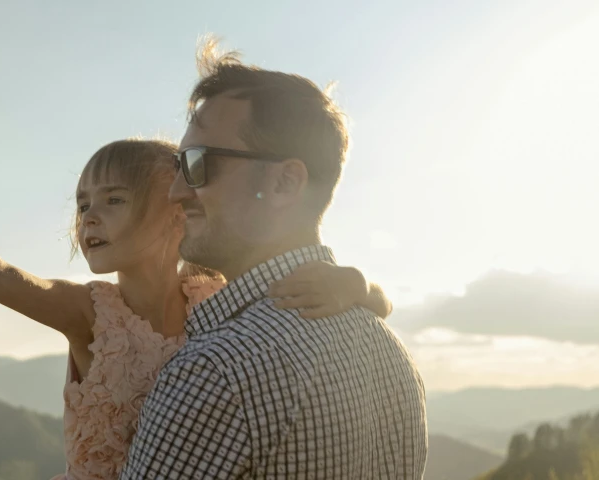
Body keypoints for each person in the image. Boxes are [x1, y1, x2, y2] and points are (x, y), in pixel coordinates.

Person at [0, 140, 391, 480]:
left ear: (178, 208)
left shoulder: (222, 296)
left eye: (113, 199)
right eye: (83, 202)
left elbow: (373, 301)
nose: (88, 216)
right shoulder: (93, 317)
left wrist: (356, 283)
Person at [119, 43, 427, 479]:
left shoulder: (216, 370)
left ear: (284, 183)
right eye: (178, 166)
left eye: (198, 163)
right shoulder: (391, 356)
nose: (176, 192)